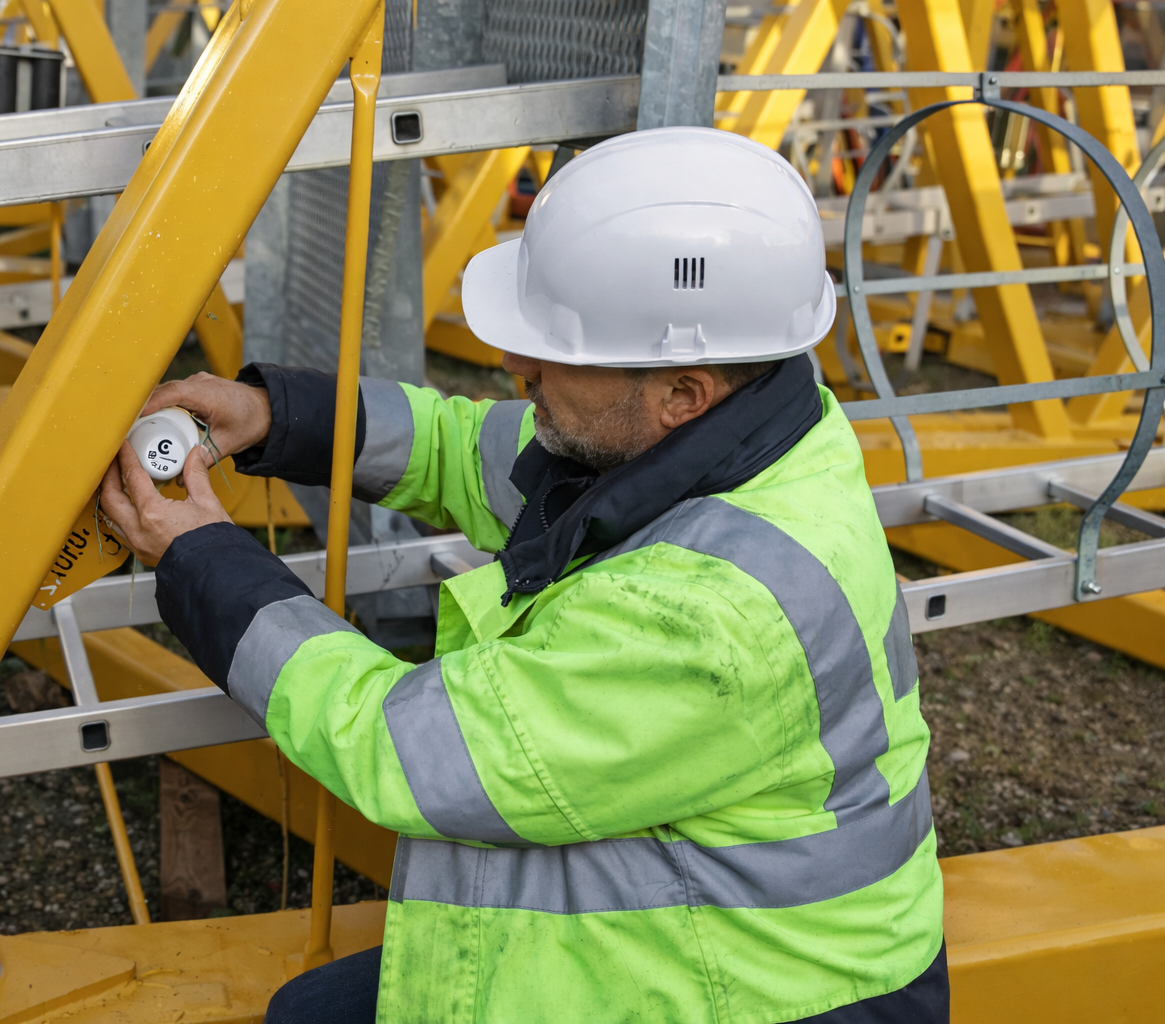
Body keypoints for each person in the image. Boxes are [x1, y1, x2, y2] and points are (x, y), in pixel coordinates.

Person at [99, 127, 946, 1024]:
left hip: (761, 995)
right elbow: (464, 448)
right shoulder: (742, 435)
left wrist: (202, 558)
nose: (518, 369)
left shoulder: (707, 618)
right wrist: (277, 416)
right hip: (711, 923)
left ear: (683, 394)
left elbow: (401, 750)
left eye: (553, 353)